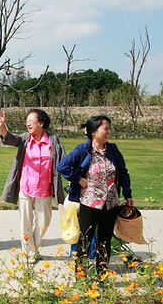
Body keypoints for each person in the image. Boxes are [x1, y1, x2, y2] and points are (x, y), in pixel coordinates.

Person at [57, 115, 133, 279]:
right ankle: (81, 277)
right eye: (105, 128)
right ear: (94, 131)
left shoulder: (113, 150)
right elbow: (63, 166)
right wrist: (78, 179)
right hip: (90, 202)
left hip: (110, 202)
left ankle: (102, 276)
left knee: (105, 241)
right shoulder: (84, 149)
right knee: (85, 240)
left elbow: (123, 172)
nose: (109, 131)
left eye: (109, 128)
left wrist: (127, 194)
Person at [0, 109, 66, 262]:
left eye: (31, 120)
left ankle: (33, 247)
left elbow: (63, 159)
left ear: (41, 123)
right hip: (26, 187)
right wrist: (2, 126)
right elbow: (10, 139)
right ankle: (30, 252)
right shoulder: (25, 138)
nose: (27, 123)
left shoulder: (53, 140)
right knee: (25, 222)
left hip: (45, 188)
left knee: (44, 222)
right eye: (27, 121)